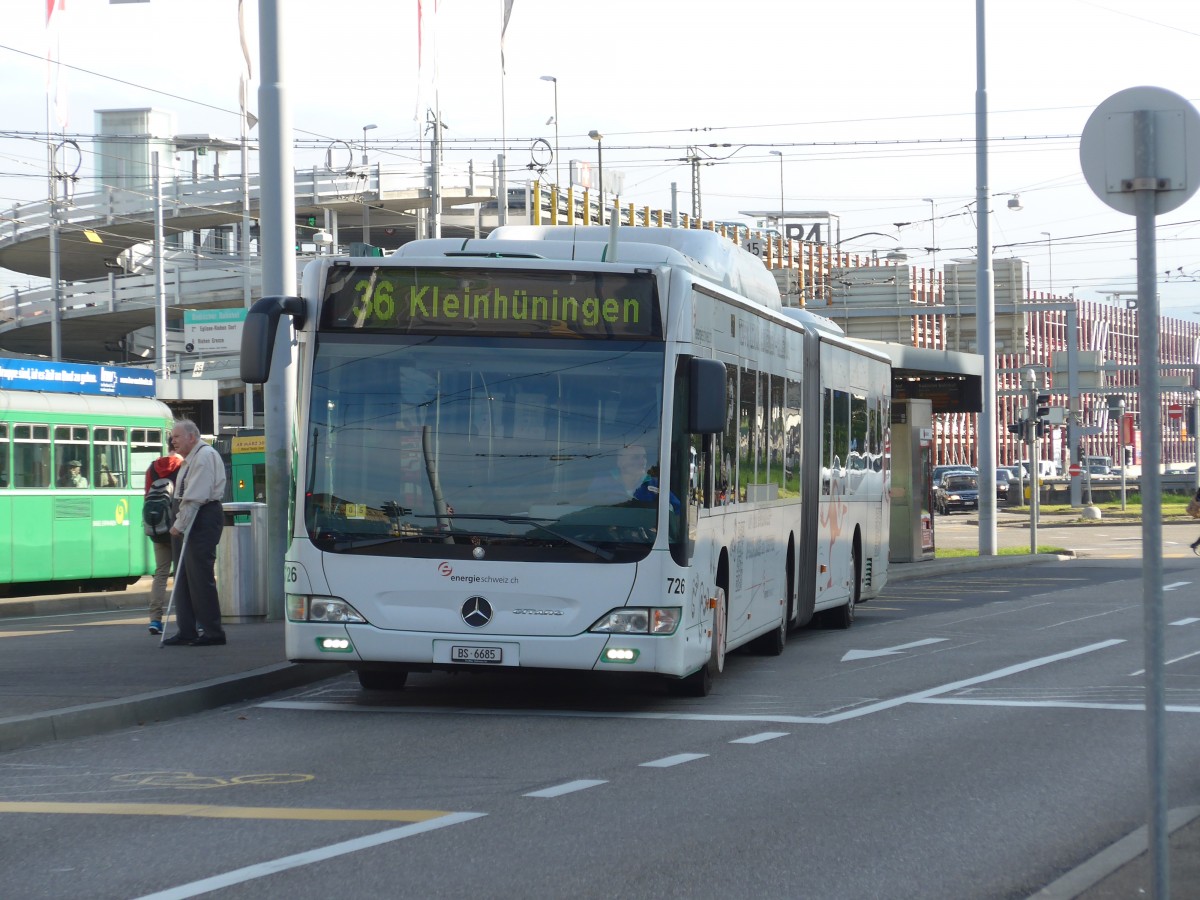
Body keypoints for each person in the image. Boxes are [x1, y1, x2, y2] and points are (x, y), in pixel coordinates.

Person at [161, 419, 228, 647]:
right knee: (182, 577)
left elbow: (195, 496)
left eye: (177, 436)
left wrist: (179, 524)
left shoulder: (204, 456)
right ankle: (187, 629)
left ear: (191, 436)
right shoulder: (189, 460)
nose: (173, 441)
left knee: (199, 576)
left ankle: (212, 631)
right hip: (189, 515)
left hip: (201, 516)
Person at [144, 439, 183, 635]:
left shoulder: (152, 468)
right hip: (178, 527)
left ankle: (155, 620)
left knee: (160, 574)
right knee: (183, 573)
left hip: (157, 528)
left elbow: (147, 497)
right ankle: (188, 618)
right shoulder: (183, 467)